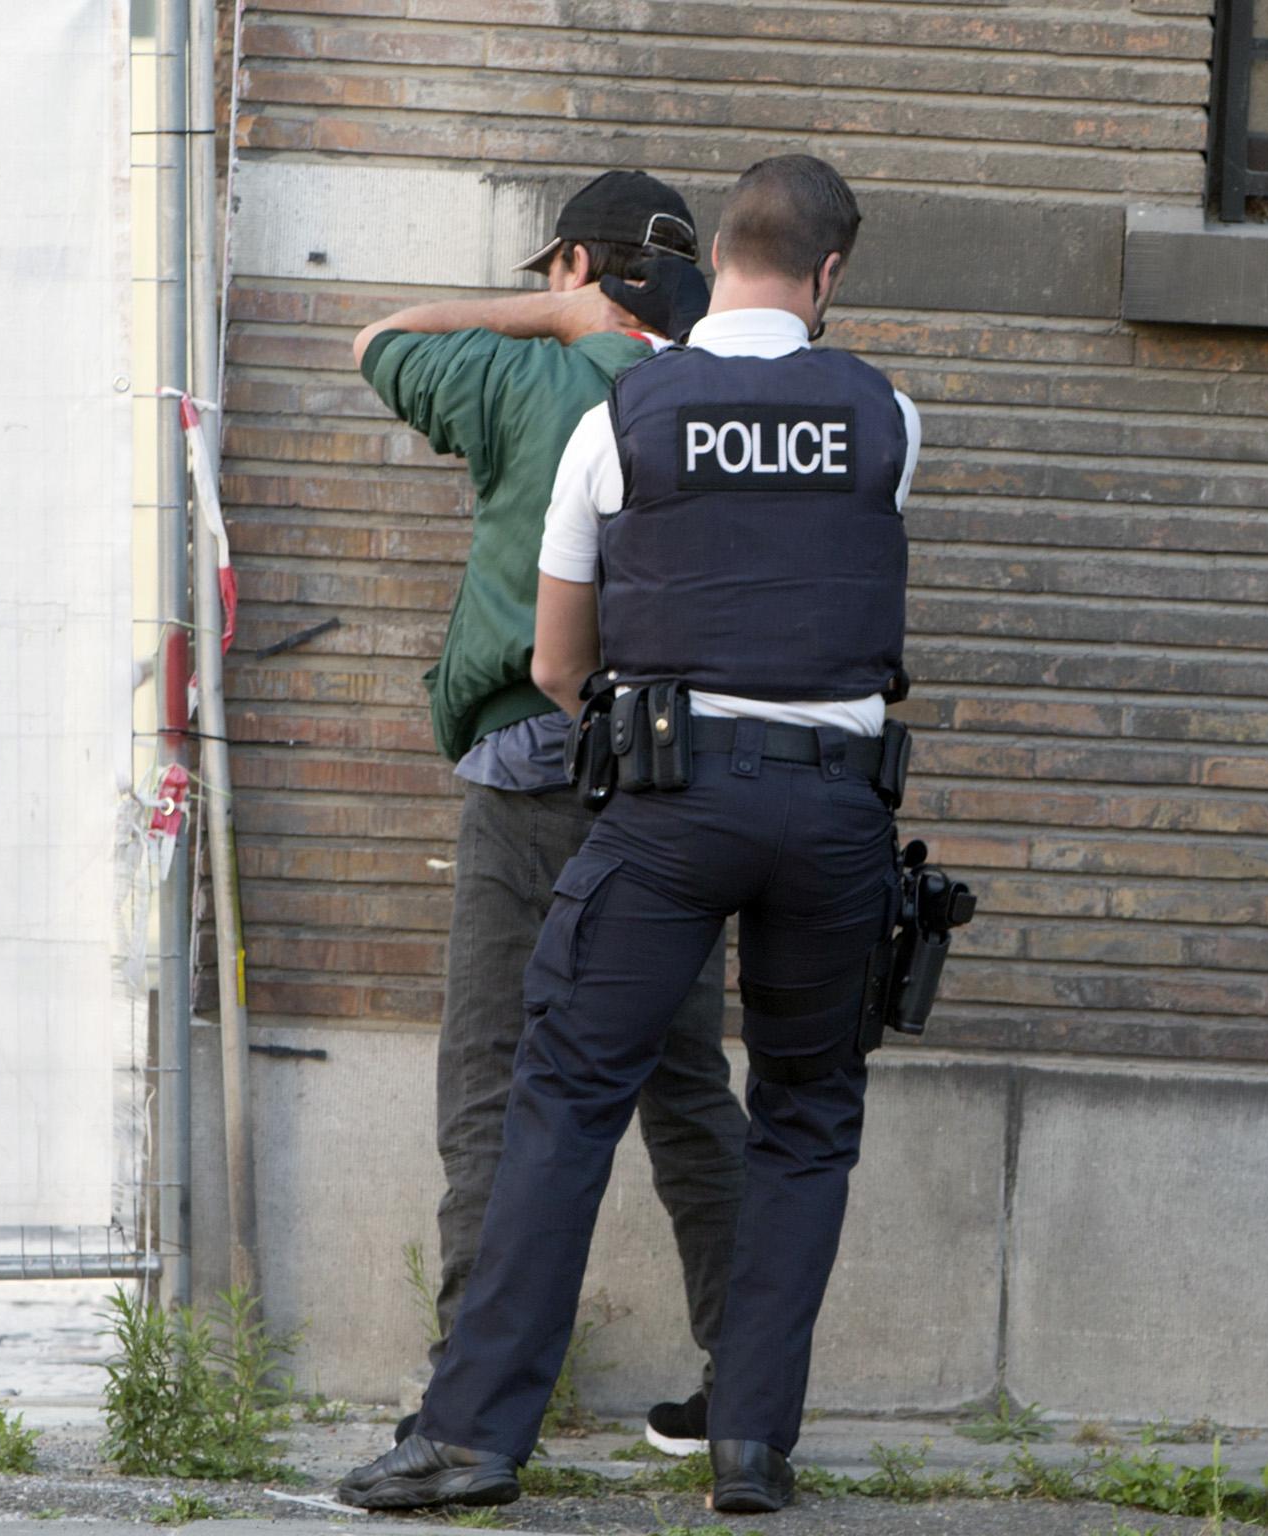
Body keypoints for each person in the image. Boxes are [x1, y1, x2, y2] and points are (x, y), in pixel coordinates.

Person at [340, 153, 922, 1517]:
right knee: (801, 1118)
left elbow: (554, 663)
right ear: (828, 274)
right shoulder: (889, 417)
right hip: (838, 808)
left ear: (720, 258)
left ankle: (475, 1436)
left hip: (666, 805)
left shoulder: (629, 415)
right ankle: (752, 1447)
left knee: (559, 1100)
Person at [350, 171, 745, 1456]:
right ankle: (747, 1399)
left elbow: (379, 342)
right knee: (684, 1090)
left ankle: (463, 1403)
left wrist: (554, 321)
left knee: (493, 1085)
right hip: (679, 790)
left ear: (576, 265)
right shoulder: (725, 399)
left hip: (531, 769)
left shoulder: (531, 378)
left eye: (553, 274)